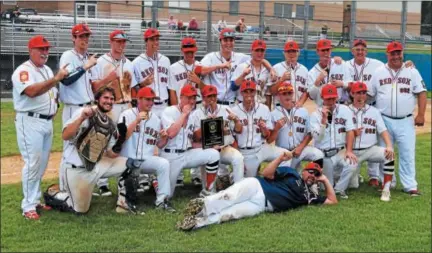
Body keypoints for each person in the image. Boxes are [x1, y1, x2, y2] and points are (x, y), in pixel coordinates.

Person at [42, 87, 142, 215]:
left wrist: (120, 140)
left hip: (96, 166)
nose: (109, 101)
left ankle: (124, 204)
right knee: (80, 210)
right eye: (105, 98)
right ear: (97, 99)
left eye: (112, 99)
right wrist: (81, 119)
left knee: (131, 164)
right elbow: (65, 135)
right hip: (76, 169)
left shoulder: (110, 124)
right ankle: (56, 195)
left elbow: (111, 154)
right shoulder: (85, 113)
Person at [176, 153, 337, 231]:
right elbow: (267, 173)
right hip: (257, 186)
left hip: (262, 206)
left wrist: (325, 180)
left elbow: (332, 201)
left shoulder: (311, 196)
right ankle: (202, 206)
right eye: (310, 172)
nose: (312, 176)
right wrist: (280, 159)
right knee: (229, 197)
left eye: (316, 175)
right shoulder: (292, 172)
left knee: (231, 214)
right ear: (304, 171)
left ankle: (196, 223)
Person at [12, 35, 69, 220]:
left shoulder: (45, 69)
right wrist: (56, 79)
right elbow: (31, 91)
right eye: (41, 49)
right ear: (31, 51)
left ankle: (35, 200)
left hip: (46, 122)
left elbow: (50, 93)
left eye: (46, 49)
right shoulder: (23, 71)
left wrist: (55, 104)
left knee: (42, 163)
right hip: (30, 122)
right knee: (33, 163)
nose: (45, 52)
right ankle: (28, 206)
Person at [168, 37, 230, 187]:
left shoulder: (199, 66)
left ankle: (196, 175)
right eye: (187, 51)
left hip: (196, 105)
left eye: (192, 51)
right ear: (182, 51)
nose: (190, 54)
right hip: (181, 106)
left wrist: (198, 81)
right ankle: (179, 175)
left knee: (197, 138)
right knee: (180, 138)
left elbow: (206, 90)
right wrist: (177, 109)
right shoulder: (174, 67)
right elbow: (172, 91)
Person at [368, 41, 427, 196]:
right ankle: (387, 182)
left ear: (402, 53)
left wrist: (421, 114)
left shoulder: (412, 71)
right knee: (385, 153)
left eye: (398, 53)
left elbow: (421, 92)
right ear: (387, 54)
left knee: (407, 153)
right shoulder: (379, 72)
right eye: (392, 53)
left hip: (406, 120)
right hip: (384, 119)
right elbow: (369, 94)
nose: (395, 56)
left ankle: (410, 185)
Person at [90, 30, 138, 196]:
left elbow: (132, 88)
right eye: (118, 41)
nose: (121, 45)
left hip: (126, 105)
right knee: (103, 142)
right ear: (111, 42)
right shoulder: (101, 61)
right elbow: (95, 87)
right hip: (109, 106)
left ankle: (123, 180)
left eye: (123, 42)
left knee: (124, 141)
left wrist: (133, 106)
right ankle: (101, 182)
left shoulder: (129, 63)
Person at [117, 87, 175, 212]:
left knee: (163, 164)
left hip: (145, 159)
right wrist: (136, 121)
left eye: (152, 100)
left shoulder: (155, 119)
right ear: (138, 99)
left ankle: (162, 201)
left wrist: (164, 138)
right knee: (126, 200)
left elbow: (159, 145)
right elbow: (122, 137)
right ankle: (126, 197)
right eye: (147, 99)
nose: (150, 103)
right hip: (126, 161)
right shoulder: (126, 115)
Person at [160, 84, 221, 197]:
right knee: (167, 196)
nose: (192, 101)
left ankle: (208, 191)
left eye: (194, 98)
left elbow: (192, 142)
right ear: (181, 97)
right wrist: (183, 114)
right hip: (170, 156)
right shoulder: (169, 111)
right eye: (189, 98)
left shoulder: (192, 116)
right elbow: (171, 134)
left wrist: (209, 141)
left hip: (187, 154)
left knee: (213, 154)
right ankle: (157, 183)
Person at [58, 23, 98, 192]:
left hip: (88, 107)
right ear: (73, 38)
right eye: (81, 36)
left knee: (85, 147)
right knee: (69, 148)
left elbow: (92, 85)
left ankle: (82, 187)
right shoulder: (68, 56)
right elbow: (65, 80)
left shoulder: (87, 57)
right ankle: (64, 188)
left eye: (86, 36)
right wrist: (85, 66)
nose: (84, 39)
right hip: (73, 108)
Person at [132, 28, 171, 191]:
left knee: (164, 138)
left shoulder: (166, 60)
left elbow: (170, 87)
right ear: (146, 42)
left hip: (164, 104)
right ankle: (142, 176)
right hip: (148, 106)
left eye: (157, 39)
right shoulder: (136, 62)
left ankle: (158, 174)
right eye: (152, 40)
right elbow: (133, 89)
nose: (156, 42)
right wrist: (142, 85)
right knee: (144, 139)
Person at [345, 39, 385, 186]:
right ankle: (351, 171)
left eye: (363, 49)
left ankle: (373, 176)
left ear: (366, 51)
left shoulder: (377, 65)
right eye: (357, 49)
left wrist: (408, 64)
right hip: (352, 107)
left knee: (372, 139)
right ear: (352, 51)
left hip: (371, 106)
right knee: (352, 137)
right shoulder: (346, 65)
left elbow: (391, 68)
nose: (360, 51)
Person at [201, 28, 276, 107]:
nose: (228, 43)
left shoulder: (240, 57)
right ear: (220, 41)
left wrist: (271, 69)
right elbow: (200, 71)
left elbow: (258, 58)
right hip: (214, 103)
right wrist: (219, 66)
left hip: (232, 104)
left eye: (231, 40)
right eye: (225, 40)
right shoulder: (211, 57)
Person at [230, 80, 291, 177]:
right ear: (241, 93)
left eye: (251, 91)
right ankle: (234, 175)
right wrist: (239, 157)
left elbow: (267, 136)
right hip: (245, 152)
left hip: (262, 148)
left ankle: (276, 180)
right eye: (246, 91)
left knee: (287, 155)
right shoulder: (234, 111)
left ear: (255, 92)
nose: (249, 94)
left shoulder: (264, 109)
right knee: (249, 184)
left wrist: (264, 129)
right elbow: (232, 138)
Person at [348, 81, 395, 201]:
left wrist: (389, 145)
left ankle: (386, 189)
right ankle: (356, 176)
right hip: (352, 152)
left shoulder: (374, 111)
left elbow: (383, 130)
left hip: (369, 149)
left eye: (364, 93)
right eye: (358, 93)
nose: (361, 96)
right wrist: (353, 133)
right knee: (353, 186)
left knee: (389, 155)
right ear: (352, 94)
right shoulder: (345, 110)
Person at [191, 85, 244, 190]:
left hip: (225, 148)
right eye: (208, 96)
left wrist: (236, 120)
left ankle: (238, 190)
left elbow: (239, 130)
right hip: (207, 150)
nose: (212, 99)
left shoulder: (226, 109)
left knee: (238, 158)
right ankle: (213, 187)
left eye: (214, 96)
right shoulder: (197, 114)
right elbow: (196, 137)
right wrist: (208, 124)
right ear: (203, 97)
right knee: (209, 189)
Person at [309, 85, 358, 199]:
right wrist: (323, 122)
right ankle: (330, 183)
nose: (331, 101)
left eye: (333, 98)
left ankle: (339, 190)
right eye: (328, 99)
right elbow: (318, 139)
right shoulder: (315, 115)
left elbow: (350, 131)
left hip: (339, 152)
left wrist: (349, 151)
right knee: (325, 186)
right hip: (324, 155)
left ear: (337, 97)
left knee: (352, 163)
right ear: (322, 97)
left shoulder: (345, 110)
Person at [268, 82, 324, 171]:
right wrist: (276, 128)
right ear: (279, 96)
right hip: (283, 152)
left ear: (293, 94)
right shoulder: (273, 114)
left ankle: (314, 178)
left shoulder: (303, 111)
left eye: (289, 93)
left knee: (319, 155)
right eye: (284, 93)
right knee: (287, 178)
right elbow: (269, 140)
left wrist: (301, 147)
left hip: (300, 149)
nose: (287, 96)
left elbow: (310, 133)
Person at [308, 39, 351, 106]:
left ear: (330, 50)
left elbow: (351, 84)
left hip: (341, 105)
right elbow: (311, 96)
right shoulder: (312, 72)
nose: (325, 52)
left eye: (327, 50)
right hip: (322, 107)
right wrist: (318, 81)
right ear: (317, 51)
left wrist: (342, 84)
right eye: (323, 50)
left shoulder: (341, 64)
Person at [231, 39, 272, 108]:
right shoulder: (242, 66)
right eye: (257, 50)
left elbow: (268, 93)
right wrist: (243, 75)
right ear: (252, 51)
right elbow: (233, 87)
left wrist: (268, 109)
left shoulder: (267, 70)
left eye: (262, 50)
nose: (259, 53)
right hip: (243, 106)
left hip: (261, 106)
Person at [269, 40, 309, 108]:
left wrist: (301, 102)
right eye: (288, 51)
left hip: (297, 108)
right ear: (284, 53)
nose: (291, 54)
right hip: (280, 108)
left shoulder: (304, 70)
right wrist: (281, 80)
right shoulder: (276, 68)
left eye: (294, 51)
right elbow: (272, 92)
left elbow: (306, 91)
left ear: (298, 52)